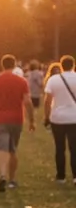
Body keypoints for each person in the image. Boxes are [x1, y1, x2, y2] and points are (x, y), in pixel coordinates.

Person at [0, 54, 35, 191]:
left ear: (2, 65)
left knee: (2, 149)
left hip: (0, 119)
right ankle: (12, 180)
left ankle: (2, 175)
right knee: (12, 149)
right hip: (17, 119)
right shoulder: (22, 81)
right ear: (14, 65)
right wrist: (32, 120)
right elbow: (27, 101)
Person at [43, 54, 76, 183]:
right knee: (74, 148)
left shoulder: (54, 80)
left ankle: (61, 176)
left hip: (57, 117)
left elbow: (47, 100)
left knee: (59, 147)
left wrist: (46, 117)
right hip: (74, 118)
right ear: (73, 65)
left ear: (61, 65)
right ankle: (75, 176)